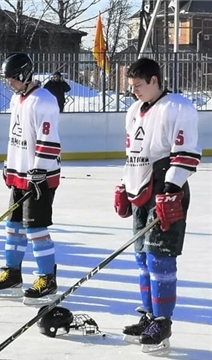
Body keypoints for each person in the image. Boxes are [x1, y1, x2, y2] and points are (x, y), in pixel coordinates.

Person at [114, 58, 201, 351]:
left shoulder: (178, 107)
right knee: (141, 258)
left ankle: (162, 322)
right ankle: (149, 315)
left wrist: (172, 188)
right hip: (140, 190)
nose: (134, 91)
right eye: (131, 86)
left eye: (138, 85)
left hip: (165, 192)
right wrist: (124, 186)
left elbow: (187, 153)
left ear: (154, 80)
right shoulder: (133, 111)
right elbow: (132, 153)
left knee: (160, 259)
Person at [0, 53, 61, 305]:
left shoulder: (44, 101)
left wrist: (39, 169)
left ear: (25, 75)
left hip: (39, 177)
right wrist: (9, 164)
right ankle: (12, 272)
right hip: (19, 174)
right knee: (14, 226)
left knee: (36, 228)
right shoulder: (18, 100)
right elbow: (15, 135)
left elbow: (48, 140)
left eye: (12, 79)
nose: (9, 84)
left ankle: (47, 278)